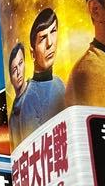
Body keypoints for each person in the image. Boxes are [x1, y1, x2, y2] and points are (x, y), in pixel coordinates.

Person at [11, 8, 66, 139]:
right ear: (32, 53)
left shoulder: (59, 83)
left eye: (53, 31)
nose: (50, 43)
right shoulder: (29, 98)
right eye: (42, 38)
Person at [6, 41, 29, 143]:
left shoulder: (37, 90)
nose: (19, 72)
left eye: (20, 63)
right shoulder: (12, 118)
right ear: (11, 78)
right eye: (14, 70)